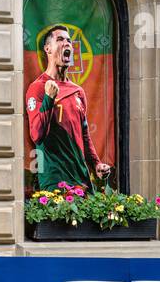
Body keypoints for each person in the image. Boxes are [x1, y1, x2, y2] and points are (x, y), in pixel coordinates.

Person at [26, 24, 111, 192]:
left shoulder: (77, 91)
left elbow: (84, 135)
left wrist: (96, 165)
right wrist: (49, 99)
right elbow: (36, 135)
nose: (66, 44)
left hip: (82, 180)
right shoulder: (38, 87)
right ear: (48, 49)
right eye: (60, 39)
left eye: (69, 41)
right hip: (55, 182)